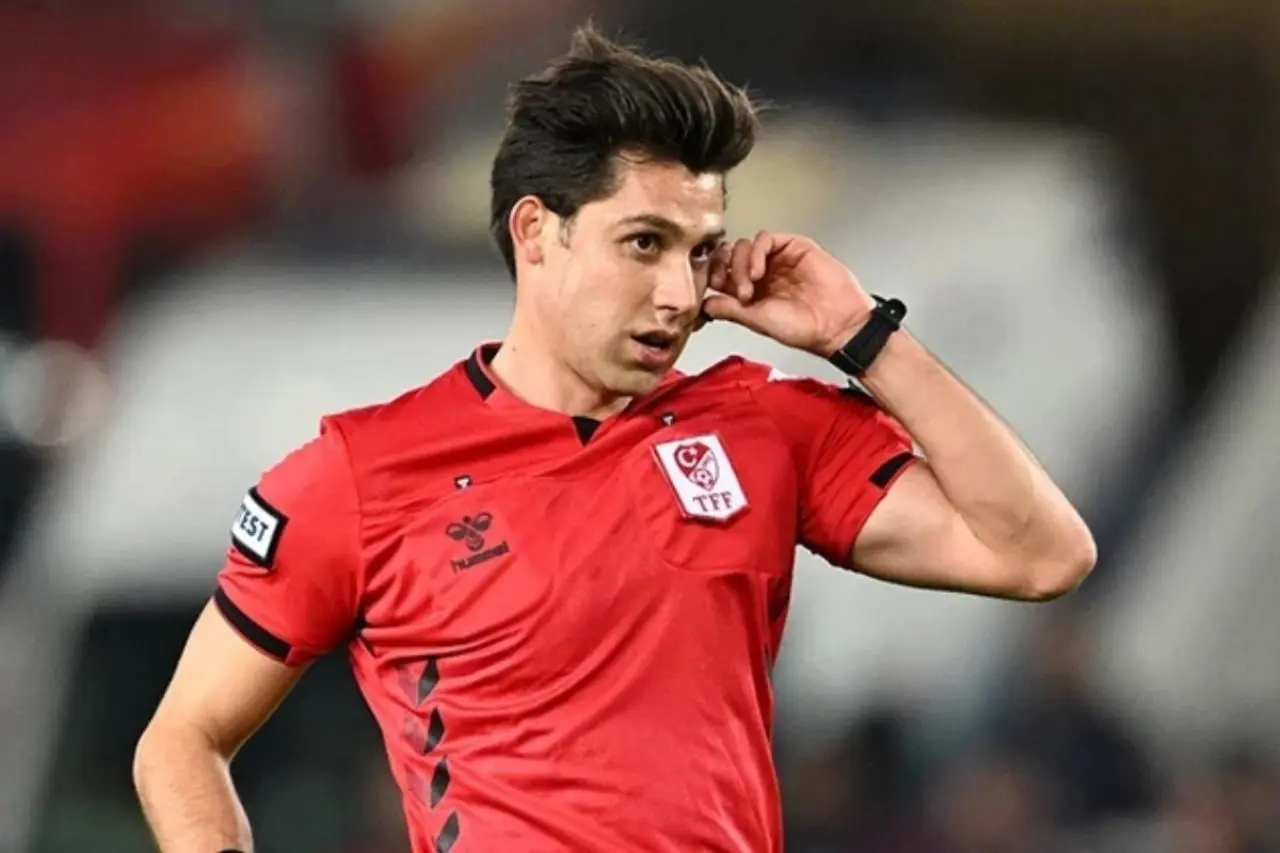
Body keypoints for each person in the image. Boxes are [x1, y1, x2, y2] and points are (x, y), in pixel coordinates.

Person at [133, 25, 1097, 853]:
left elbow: (1040, 553)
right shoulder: (361, 474)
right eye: (644, 243)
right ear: (536, 232)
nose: (679, 293)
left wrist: (862, 333)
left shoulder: (765, 426)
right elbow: (181, 740)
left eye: (700, 250)